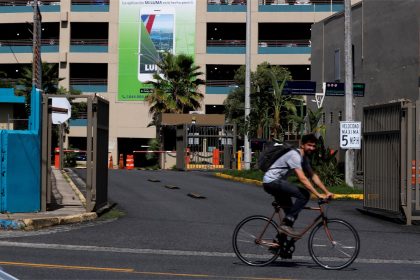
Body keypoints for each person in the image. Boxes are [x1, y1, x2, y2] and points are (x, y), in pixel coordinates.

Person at [262, 134, 334, 238]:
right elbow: (303, 179)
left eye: (314, 146)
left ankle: (279, 245)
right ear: (302, 145)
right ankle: (286, 226)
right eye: (309, 145)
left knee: (291, 215)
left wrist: (326, 192)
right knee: (304, 194)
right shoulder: (294, 155)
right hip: (272, 182)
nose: (312, 148)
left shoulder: (304, 158)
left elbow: (313, 176)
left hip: (276, 183)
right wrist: (318, 194)